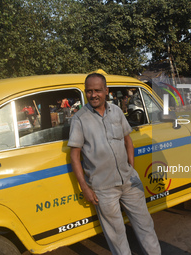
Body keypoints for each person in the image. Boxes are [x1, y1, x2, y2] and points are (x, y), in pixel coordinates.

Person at [68, 73, 161, 255]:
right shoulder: (79, 119)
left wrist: (131, 169)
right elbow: (74, 156)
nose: (93, 95)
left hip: (129, 181)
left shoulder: (117, 111)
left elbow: (128, 141)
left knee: (146, 225)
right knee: (117, 236)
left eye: (97, 91)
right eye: (89, 91)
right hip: (103, 188)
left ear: (106, 91)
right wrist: (84, 188)